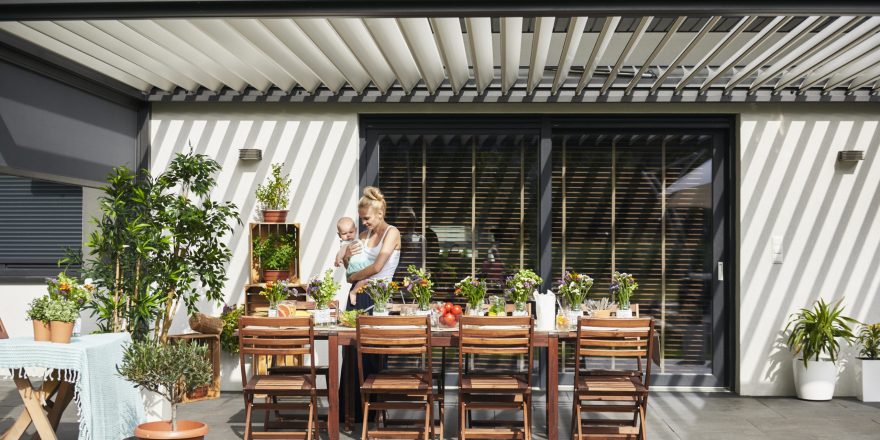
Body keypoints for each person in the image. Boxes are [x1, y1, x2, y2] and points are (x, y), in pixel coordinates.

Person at [339, 186, 401, 420]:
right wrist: (346, 259)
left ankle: (373, 414)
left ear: (379, 213)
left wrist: (352, 277)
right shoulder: (363, 237)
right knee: (351, 354)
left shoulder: (392, 233)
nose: (363, 222)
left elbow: (377, 268)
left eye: (366, 218)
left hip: (379, 299)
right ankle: (349, 413)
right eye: (361, 218)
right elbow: (350, 268)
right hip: (356, 297)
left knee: (373, 355)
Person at [334, 216, 374, 294]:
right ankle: (354, 293)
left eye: (351, 232)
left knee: (365, 281)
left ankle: (354, 292)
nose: (348, 235)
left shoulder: (357, 240)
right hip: (357, 268)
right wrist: (338, 259)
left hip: (360, 266)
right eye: (344, 233)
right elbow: (341, 251)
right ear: (339, 235)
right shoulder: (345, 243)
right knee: (364, 281)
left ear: (355, 230)